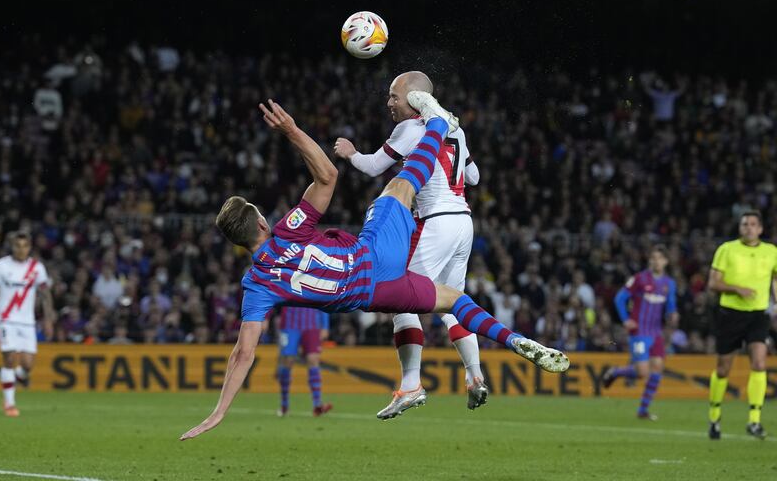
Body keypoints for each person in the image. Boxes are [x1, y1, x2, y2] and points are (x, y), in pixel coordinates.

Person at [180, 93, 568, 441]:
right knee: (401, 186)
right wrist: (292, 130)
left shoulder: (256, 287)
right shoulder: (287, 231)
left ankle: (442, 371)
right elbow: (328, 175)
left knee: (450, 301)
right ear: (262, 224)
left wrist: (219, 412)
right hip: (374, 255)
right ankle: (438, 122)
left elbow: (243, 354)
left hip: (372, 295)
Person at [334, 71, 486, 419]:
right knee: (451, 305)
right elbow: (474, 177)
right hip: (464, 221)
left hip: (436, 219)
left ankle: (411, 385)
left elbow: (373, 167)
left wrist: (350, 153)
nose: (389, 102)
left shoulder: (411, 128)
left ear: (416, 100)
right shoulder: (454, 127)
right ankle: (475, 375)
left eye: (395, 96)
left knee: (403, 299)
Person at [706, 211, 777, 440]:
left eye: (753, 224)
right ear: (740, 228)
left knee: (759, 362)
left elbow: (775, 279)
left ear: (760, 229)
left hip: (758, 314)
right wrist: (737, 289)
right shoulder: (727, 249)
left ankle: (754, 421)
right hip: (730, 314)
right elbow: (713, 283)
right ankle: (714, 416)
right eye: (745, 224)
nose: (749, 228)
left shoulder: (771, 252)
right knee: (723, 369)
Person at [0, 231, 55, 417]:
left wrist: (49, 320)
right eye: (17, 246)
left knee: (28, 365)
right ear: (12, 246)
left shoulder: (37, 268)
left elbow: (45, 296)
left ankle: (17, 377)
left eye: (25, 246)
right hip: (5, 319)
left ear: (30, 247)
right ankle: (9, 404)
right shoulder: (1, 266)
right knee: (10, 359)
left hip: (27, 322)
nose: (21, 250)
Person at [602, 246, 678, 420]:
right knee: (643, 372)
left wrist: (672, 314)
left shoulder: (669, 283)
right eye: (652, 258)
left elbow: (671, 305)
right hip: (639, 332)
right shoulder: (639, 279)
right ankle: (615, 372)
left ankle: (643, 410)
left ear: (665, 261)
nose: (655, 261)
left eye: (659, 258)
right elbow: (620, 298)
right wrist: (625, 319)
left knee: (658, 367)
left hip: (656, 333)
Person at [275, 306, 332, 417]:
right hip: (289, 323)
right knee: (288, 361)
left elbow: (322, 295)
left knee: (313, 359)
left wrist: (325, 325)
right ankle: (284, 404)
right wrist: (264, 317)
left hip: (311, 324)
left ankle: (317, 404)